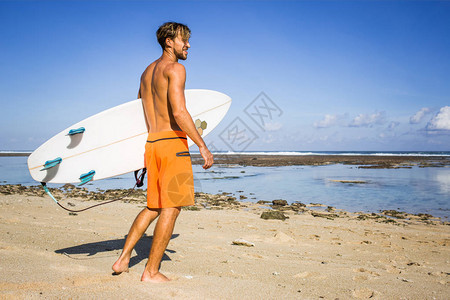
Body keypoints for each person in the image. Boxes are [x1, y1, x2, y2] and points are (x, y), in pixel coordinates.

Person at [112, 22, 213, 283]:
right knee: (172, 208)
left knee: (153, 206)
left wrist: (137, 153)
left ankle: (123, 259)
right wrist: (201, 144)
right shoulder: (176, 69)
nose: (188, 45)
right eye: (184, 40)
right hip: (172, 145)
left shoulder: (146, 74)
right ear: (169, 41)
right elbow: (179, 112)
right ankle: (151, 271)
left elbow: (138, 114)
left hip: (152, 143)